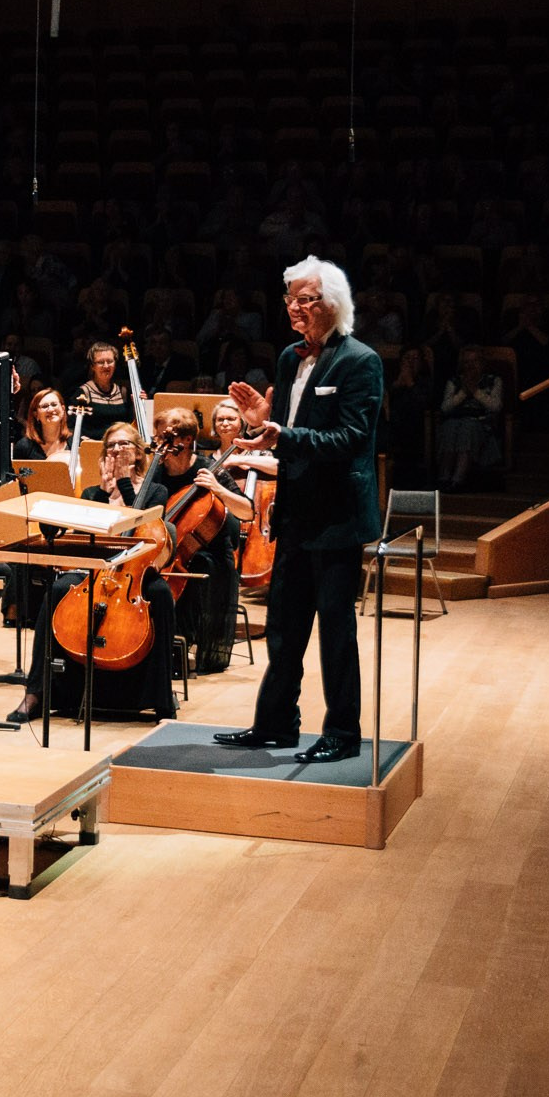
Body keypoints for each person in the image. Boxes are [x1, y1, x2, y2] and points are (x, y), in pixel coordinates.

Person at [215, 256, 383, 765]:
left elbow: (352, 438)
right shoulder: (289, 358)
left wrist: (284, 435)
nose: (295, 309)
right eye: (290, 299)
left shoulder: (360, 361)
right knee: (285, 629)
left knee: (335, 631)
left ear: (333, 303)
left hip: (337, 519)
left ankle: (342, 733)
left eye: (305, 300)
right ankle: (275, 725)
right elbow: (287, 428)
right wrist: (266, 421)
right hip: (293, 514)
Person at [5, 423, 180, 724]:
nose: (117, 450)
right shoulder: (91, 491)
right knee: (58, 590)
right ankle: (36, 692)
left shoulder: (155, 490)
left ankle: (161, 698)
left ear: (138, 452)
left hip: (136, 572)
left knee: (162, 595)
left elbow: (148, 529)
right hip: (95, 571)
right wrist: (102, 491)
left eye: (124, 444)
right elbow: (83, 535)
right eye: (111, 446)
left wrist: (124, 485)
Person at [147, 404, 254, 675]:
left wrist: (217, 489)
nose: (160, 446)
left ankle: (182, 644)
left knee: (196, 569)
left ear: (185, 440)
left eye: (165, 439)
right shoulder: (157, 470)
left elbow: (247, 511)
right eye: (158, 438)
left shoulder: (208, 469)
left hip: (212, 556)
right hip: (171, 551)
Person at [434, 345, 505, 487]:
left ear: (482, 363)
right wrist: (463, 393)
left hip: (481, 425)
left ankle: (458, 480)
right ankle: (444, 477)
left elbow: (496, 406)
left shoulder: (494, 380)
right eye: (467, 362)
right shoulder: (454, 381)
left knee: (468, 427)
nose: (471, 366)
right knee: (450, 427)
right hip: (455, 421)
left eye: (475, 361)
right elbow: (445, 408)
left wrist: (475, 391)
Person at [70, 341, 133, 432]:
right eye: (100, 362)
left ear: (115, 365)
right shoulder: (83, 392)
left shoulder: (124, 392)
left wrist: (139, 404)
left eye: (110, 361)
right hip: (93, 444)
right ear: (92, 366)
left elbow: (131, 424)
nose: (106, 366)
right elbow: (72, 427)